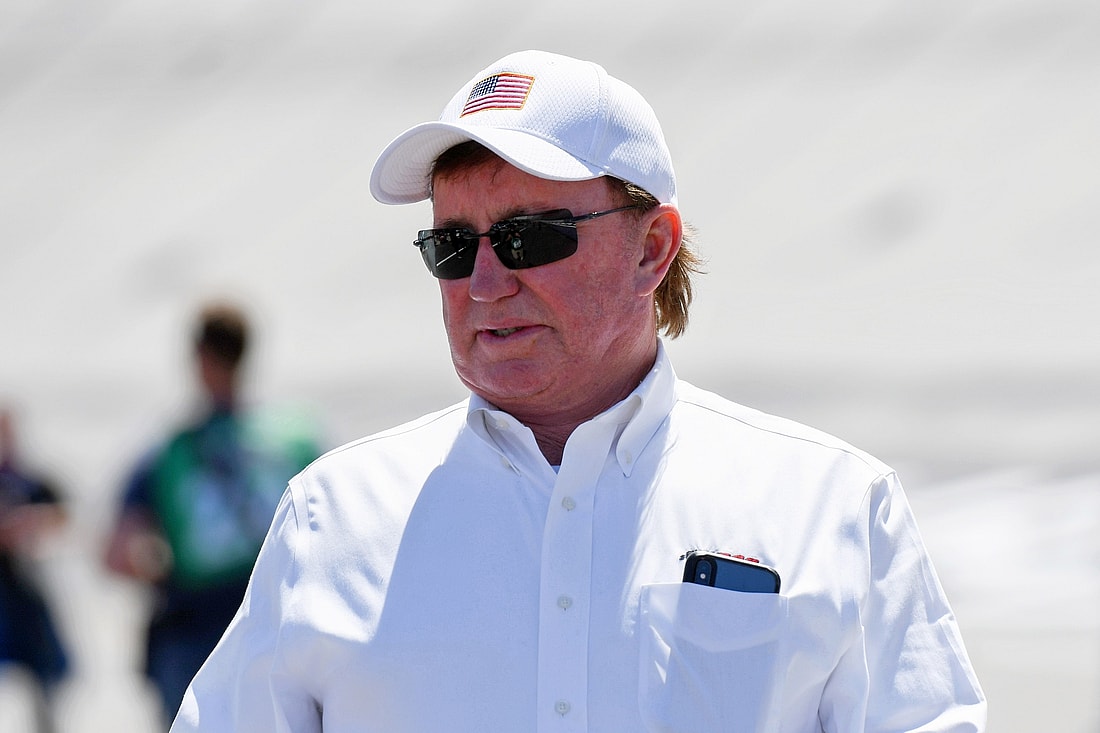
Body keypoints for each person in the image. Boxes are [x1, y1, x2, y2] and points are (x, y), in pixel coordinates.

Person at [172, 51, 986, 732]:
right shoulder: (333, 519)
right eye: (452, 246)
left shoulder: (833, 506)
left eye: (531, 236)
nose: (485, 281)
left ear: (652, 248)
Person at [105, 302, 321, 727]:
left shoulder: (169, 452)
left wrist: (162, 567)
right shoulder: (297, 436)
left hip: (195, 632)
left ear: (200, 359)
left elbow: (115, 554)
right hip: (282, 622)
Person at [0, 407, 69, 733]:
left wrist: (30, 523)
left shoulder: (30, 481)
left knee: (42, 702)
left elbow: (63, 516)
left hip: (28, 603)